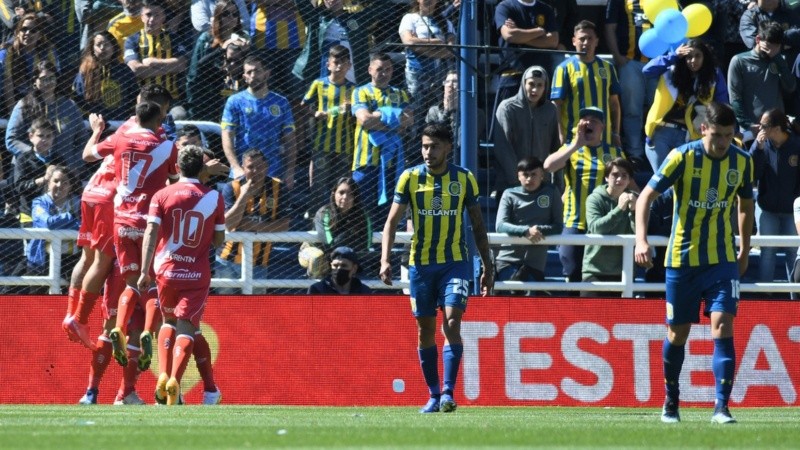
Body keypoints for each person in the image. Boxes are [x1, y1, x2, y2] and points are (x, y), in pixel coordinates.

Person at [634, 102, 755, 424]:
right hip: (683, 259)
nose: (722, 142)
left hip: (722, 259)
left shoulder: (742, 161)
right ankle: (671, 403)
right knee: (678, 333)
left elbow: (745, 207)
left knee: (723, 325)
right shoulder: (683, 157)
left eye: (728, 136)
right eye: (717, 135)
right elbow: (645, 196)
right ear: (704, 129)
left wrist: (744, 250)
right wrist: (641, 239)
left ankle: (721, 407)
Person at [380, 122, 494, 414]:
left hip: (455, 262)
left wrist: (487, 264)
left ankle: (447, 392)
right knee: (425, 330)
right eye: (424, 146)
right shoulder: (410, 178)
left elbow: (478, 225)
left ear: (447, 148)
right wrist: (385, 259)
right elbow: (392, 222)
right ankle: (432, 394)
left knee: (453, 321)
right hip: (420, 265)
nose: (428, 152)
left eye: (434, 146)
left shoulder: (464, 179)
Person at [83, 99, 179, 370]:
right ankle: (148, 330)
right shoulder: (167, 147)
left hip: (122, 222)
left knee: (130, 284)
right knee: (151, 285)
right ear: (160, 120)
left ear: (135, 116)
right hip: (150, 224)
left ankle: (118, 327)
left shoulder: (121, 138)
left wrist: (96, 131)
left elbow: (88, 155)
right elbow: (174, 180)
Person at [137, 145, 225, 405]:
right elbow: (219, 241)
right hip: (196, 274)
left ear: (176, 167)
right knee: (187, 329)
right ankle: (175, 380)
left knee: (167, 323)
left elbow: (151, 233)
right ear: (202, 168)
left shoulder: (162, 195)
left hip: (165, 270)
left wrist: (144, 270)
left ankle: (163, 376)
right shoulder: (214, 197)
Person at [543, 106, 626, 282]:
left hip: (604, 222)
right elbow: (548, 166)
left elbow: (629, 182)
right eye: (584, 120)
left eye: (594, 121)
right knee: (572, 272)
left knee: (599, 277)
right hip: (575, 220)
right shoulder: (570, 149)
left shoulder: (614, 152)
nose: (588, 123)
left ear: (602, 127)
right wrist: (576, 145)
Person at [644, 39, 729, 173]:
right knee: (662, 182)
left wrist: (733, 131)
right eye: (689, 57)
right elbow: (647, 70)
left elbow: (723, 105)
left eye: (697, 56)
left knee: (683, 182)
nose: (693, 61)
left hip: (689, 136)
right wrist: (673, 56)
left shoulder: (714, 76)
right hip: (661, 133)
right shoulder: (670, 70)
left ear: (705, 57)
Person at [215, 149, 289, 294]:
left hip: (259, 263)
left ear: (267, 166)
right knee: (225, 309)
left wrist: (252, 225)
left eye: (260, 166)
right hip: (227, 260)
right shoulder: (231, 187)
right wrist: (243, 196)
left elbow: (285, 225)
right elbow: (228, 225)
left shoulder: (278, 188)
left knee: (255, 311)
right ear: (243, 168)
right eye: (250, 167)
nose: (256, 171)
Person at [221, 53, 297, 188]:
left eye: (257, 71)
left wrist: (290, 171)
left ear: (267, 73)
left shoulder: (281, 102)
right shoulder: (235, 101)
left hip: (273, 171)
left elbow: (290, 139)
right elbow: (227, 136)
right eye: (249, 72)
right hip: (243, 172)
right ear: (244, 76)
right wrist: (235, 167)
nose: (253, 75)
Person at [351, 52, 412, 218]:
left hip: (392, 164)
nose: (384, 73)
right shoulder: (360, 92)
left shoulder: (400, 94)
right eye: (379, 69)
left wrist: (377, 115)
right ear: (370, 70)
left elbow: (409, 120)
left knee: (387, 214)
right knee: (361, 211)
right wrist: (393, 119)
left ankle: (384, 245)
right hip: (366, 162)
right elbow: (364, 120)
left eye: (388, 69)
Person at [5, 61, 87, 180]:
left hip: (65, 173)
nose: (48, 82)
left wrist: (74, 164)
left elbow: (82, 140)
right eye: (43, 79)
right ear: (35, 81)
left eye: (52, 78)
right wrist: (35, 156)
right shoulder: (24, 105)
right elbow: (11, 139)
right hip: (30, 172)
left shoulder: (70, 106)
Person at [494, 157, 562, 293]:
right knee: (507, 307)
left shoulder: (551, 192)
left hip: (535, 263)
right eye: (525, 175)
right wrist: (526, 231)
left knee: (530, 310)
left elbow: (558, 226)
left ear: (542, 175)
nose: (529, 179)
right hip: (507, 260)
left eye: (534, 174)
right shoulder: (509, 194)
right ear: (518, 176)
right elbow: (500, 225)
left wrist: (538, 230)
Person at [302, 45, 356, 213]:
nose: (339, 66)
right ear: (328, 64)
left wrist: (352, 111)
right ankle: (314, 222)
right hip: (321, 145)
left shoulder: (354, 89)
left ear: (349, 66)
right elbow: (303, 106)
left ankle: (338, 219)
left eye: (344, 63)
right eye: (336, 62)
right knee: (319, 186)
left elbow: (359, 115)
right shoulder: (318, 84)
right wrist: (314, 113)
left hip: (345, 146)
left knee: (341, 186)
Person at [551, 20, 621, 148]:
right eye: (582, 39)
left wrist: (615, 133)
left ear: (596, 41)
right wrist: (560, 134)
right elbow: (556, 106)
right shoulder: (563, 69)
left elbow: (614, 104)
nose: (586, 43)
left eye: (590, 38)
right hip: (573, 140)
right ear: (574, 41)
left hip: (603, 139)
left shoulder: (608, 68)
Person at [750, 108, 800, 284]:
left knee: (793, 253)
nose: (759, 129)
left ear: (777, 128)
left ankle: (794, 297)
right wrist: (758, 149)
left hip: (792, 212)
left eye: (764, 126)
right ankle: (766, 296)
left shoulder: (796, 145)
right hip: (767, 208)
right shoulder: (760, 146)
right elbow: (753, 174)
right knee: (767, 252)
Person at [493, 65, 559, 194]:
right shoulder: (507, 108)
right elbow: (503, 148)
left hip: (541, 185)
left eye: (540, 85)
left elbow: (556, 149)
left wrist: (557, 185)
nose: (535, 89)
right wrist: (518, 179)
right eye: (531, 84)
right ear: (523, 84)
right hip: (510, 186)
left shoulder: (550, 110)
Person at [604, 0, 656, 165]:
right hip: (630, 62)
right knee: (632, 110)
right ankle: (635, 154)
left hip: (658, 63)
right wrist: (617, 56)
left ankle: (655, 151)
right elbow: (609, 27)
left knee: (657, 110)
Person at [729, 21, 795, 147]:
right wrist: (747, 124)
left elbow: (791, 87)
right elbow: (735, 98)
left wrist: (779, 61)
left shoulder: (779, 61)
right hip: (752, 131)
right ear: (758, 39)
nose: (773, 51)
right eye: (769, 45)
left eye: (777, 47)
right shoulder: (739, 61)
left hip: (778, 131)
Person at [398, 0, 455, 141]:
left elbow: (452, 49)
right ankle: (413, 148)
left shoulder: (444, 22)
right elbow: (409, 42)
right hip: (416, 76)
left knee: (437, 114)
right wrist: (436, 43)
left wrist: (421, 46)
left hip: (439, 76)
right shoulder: (409, 18)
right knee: (416, 113)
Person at [581, 157, 637, 297]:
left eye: (624, 176)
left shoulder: (635, 199)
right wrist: (619, 208)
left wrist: (635, 211)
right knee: (589, 317)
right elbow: (596, 228)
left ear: (629, 180)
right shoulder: (594, 199)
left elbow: (638, 232)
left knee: (621, 318)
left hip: (624, 271)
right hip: (594, 271)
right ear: (606, 177)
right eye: (615, 175)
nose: (619, 179)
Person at [491, 0, 558, 114]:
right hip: (512, 78)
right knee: (507, 127)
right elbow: (510, 35)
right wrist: (539, 31)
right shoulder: (505, 7)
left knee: (539, 128)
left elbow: (553, 41)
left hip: (539, 80)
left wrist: (521, 35)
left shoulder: (546, 9)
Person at [26, 165, 81, 290]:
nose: (60, 185)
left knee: (76, 291)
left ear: (71, 185)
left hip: (71, 259)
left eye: (65, 182)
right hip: (42, 258)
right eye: (56, 181)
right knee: (37, 299)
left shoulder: (78, 202)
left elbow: (85, 226)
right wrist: (71, 217)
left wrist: (63, 224)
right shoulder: (39, 202)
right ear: (49, 183)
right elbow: (48, 223)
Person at [124, 0, 190, 105]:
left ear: (163, 17)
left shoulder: (174, 38)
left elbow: (182, 65)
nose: (152, 19)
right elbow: (135, 69)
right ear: (141, 17)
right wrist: (170, 68)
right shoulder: (132, 40)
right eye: (148, 14)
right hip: (143, 100)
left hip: (171, 99)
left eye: (157, 15)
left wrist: (152, 62)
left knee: (179, 114)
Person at [12, 118, 67, 228]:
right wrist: (43, 179)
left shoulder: (58, 159)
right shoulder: (23, 159)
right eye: (40, 136)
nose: (44, 140)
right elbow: (19, 186)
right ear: (31, 136)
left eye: (49, 136)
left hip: (54, 214)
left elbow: (69, 183)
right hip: (29, 214)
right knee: (32, 245)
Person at [0, 13, 58, 116]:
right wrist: (13, 112)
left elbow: (54, 78)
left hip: (39, 95)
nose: (28, 33)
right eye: (24, 29)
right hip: (10, 98)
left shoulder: (47, 51)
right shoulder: (8, 51)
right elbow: (7, 83)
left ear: (40, 35)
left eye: (33, 30)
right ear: (17, 32)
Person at [73, 30, 138, 120]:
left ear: (113, 47)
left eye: (106, 44)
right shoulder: (85, 72)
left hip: (122, 123)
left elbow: (135, 96)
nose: (102, 48)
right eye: (98, 44)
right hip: (94, 125)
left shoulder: (123, 70)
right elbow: (78, 100)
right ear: (92, 49)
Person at [314, 176, 373, 271]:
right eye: (341, 193)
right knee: (316, 257)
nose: (345, 197)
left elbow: (366, 244)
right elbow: (327, 242)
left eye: (350, 194)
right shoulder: (323, 213)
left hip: (349, 258)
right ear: (334, 194)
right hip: (323, 254)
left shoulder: (362, 215)